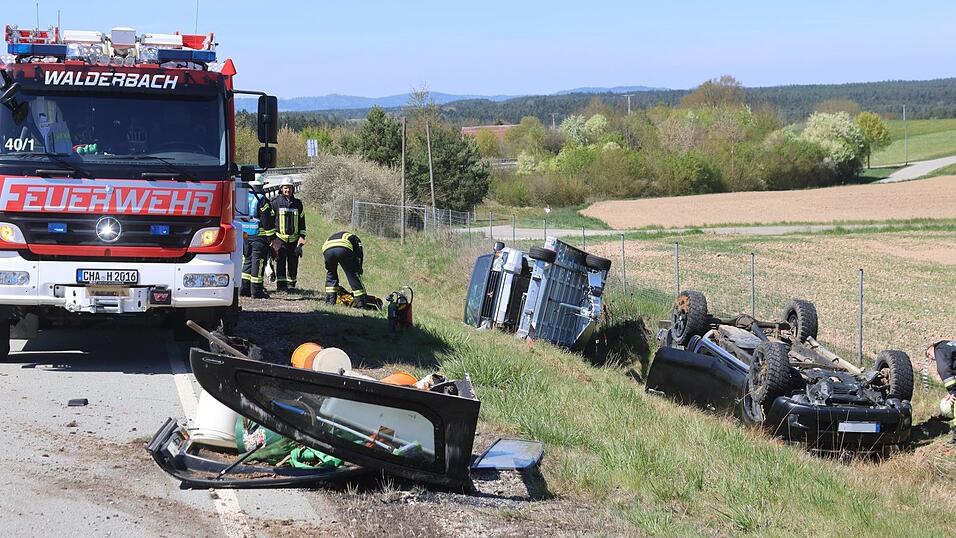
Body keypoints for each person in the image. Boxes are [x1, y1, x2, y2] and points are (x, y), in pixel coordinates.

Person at [239, 178, 276, 299]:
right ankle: (256, 290)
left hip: (245, 235)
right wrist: (271, 237)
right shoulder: (262, 200)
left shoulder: (244, 198)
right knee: (258, 262)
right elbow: (266, 220)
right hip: (259, 236)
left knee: (248, 260)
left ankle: (244, 289)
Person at [272, 177, 307, 292]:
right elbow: (270, 220)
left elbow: (302, 221)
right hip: (279, 238)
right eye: (285, 188)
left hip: (294, 240)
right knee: (280, 261)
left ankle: (292, 286)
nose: (288, 190)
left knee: (293, 263)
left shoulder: (298, 204)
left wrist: (302, 238)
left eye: (290, 188)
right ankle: (281, 286)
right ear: (281, 189)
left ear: (293, 189)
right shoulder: (275, 202)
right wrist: (271, 240)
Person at [322, 231, 365, 308]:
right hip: (342, 248)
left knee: (331, 273)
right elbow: (359, 254)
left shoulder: (339, 236)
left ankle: (330, 301)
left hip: (327, 249)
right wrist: (359, 268)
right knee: (351, 274)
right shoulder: (355, 239)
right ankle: (361, 302)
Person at [927, 339, 956, 445]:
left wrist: (953, 391)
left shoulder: (939, 349)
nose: (932, 359)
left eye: (929, 355)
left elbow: (944, 370)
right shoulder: (950, 345)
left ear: (931, 349)